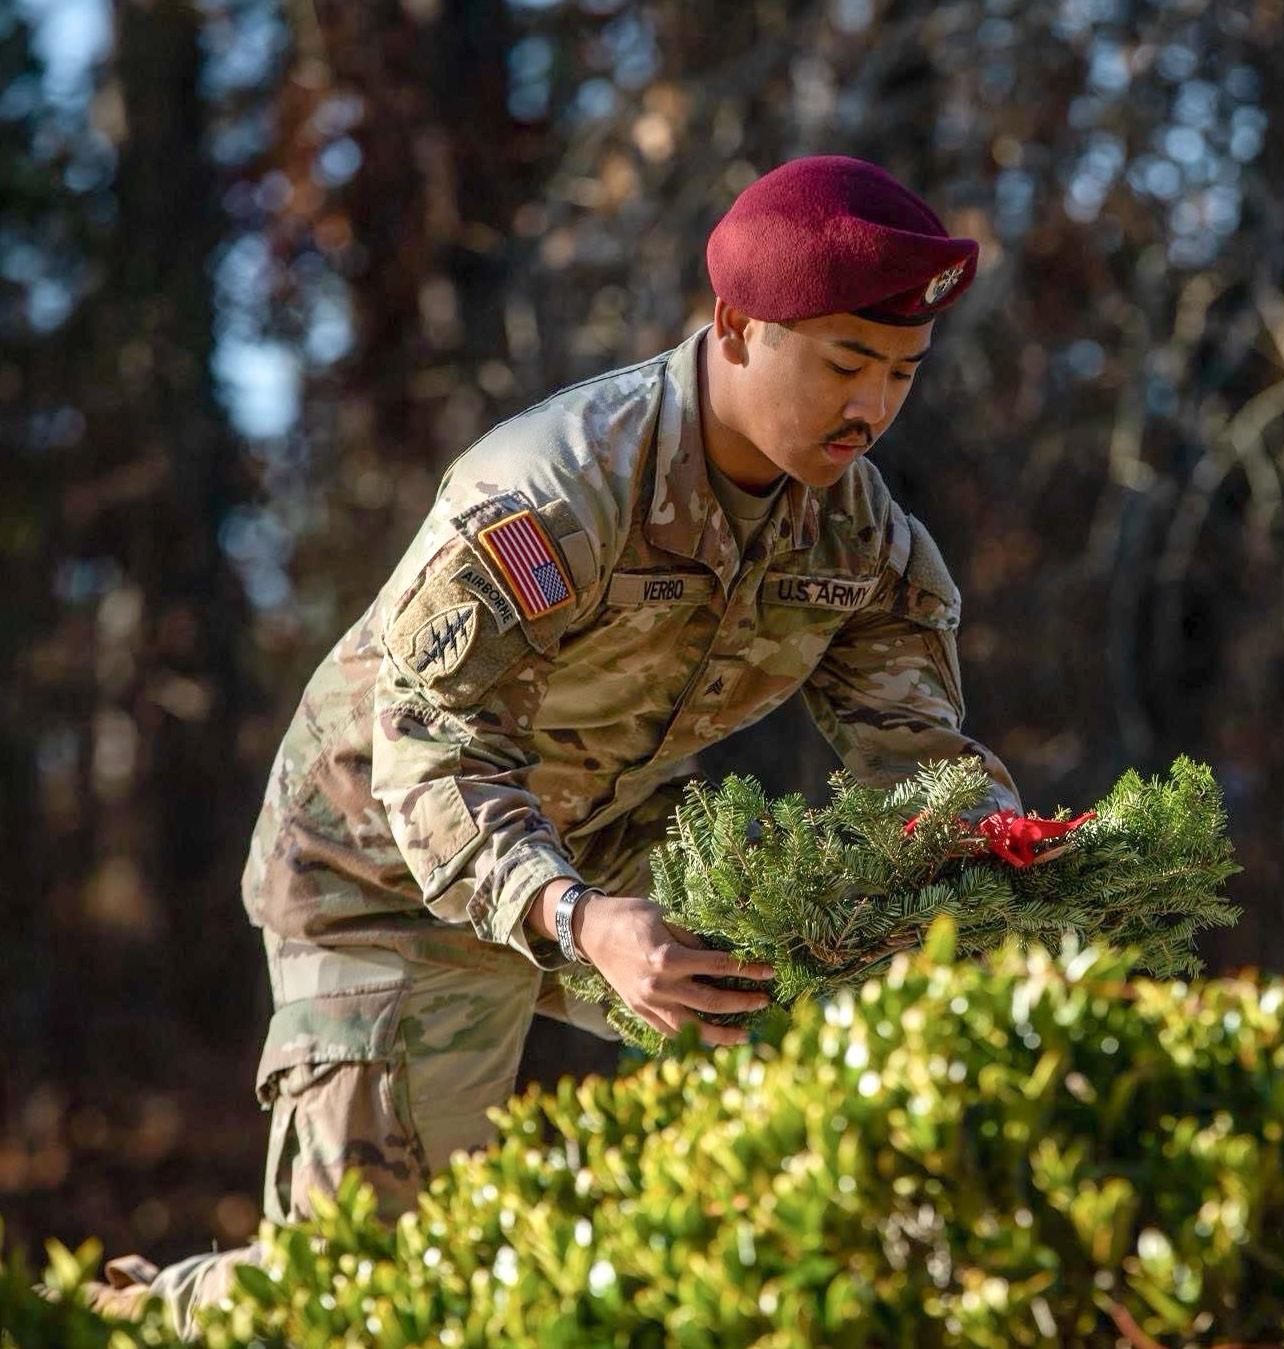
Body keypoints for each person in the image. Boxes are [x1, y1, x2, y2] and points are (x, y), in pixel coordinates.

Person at [93, 154, 1022, 1330]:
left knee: (826, 983)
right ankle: (132, 1319)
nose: (873, 407)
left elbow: (915, 755)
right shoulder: (553, 489)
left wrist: (1009, 856)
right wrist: (576, 918)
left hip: (600, 836)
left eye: (901, 372)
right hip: (381, 868)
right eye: (846, 363)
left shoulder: (856, 533)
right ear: (739, 327)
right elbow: (430, 746)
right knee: (365, 1298)